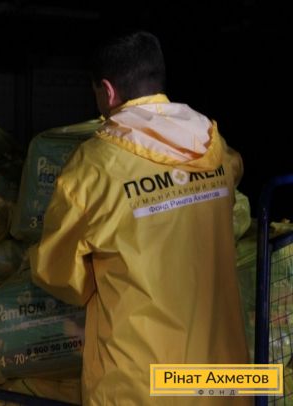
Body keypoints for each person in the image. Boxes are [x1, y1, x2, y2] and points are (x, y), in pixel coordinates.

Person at [29, 31, 251, 405]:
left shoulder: (93, 166)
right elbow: (229, 194)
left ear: (107, 91)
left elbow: (58, 273)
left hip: (140, 384)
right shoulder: (212, 141)